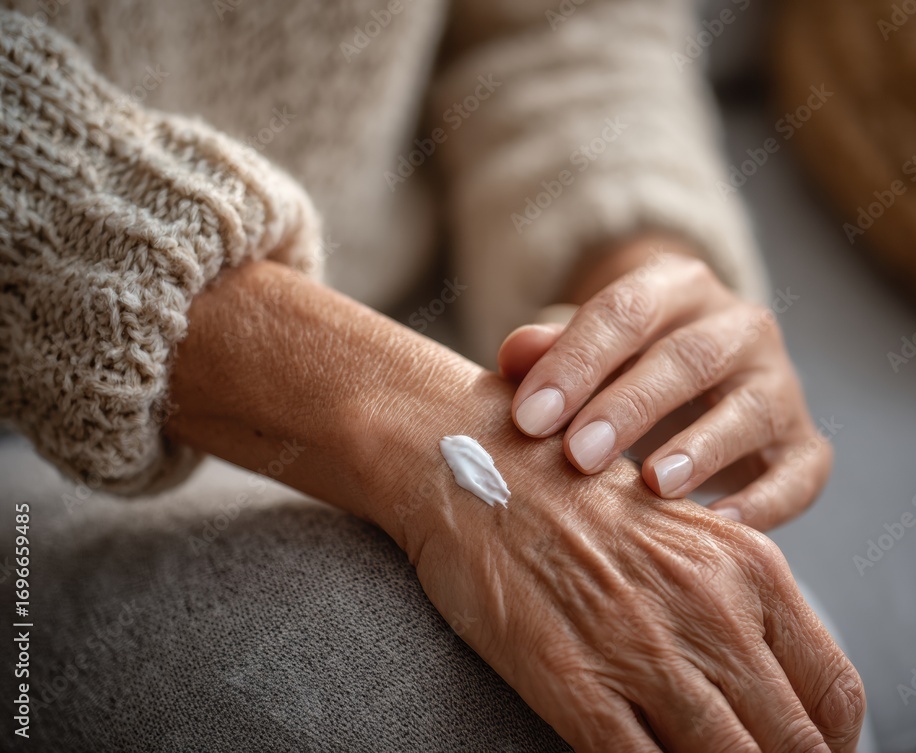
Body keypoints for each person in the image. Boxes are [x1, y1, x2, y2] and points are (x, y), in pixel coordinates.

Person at [0, 2, 867, 750]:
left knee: (746, 649)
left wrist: (631, 275)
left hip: (388, 303)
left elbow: (558, 28)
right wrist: (406, 414)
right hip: (44, 398)